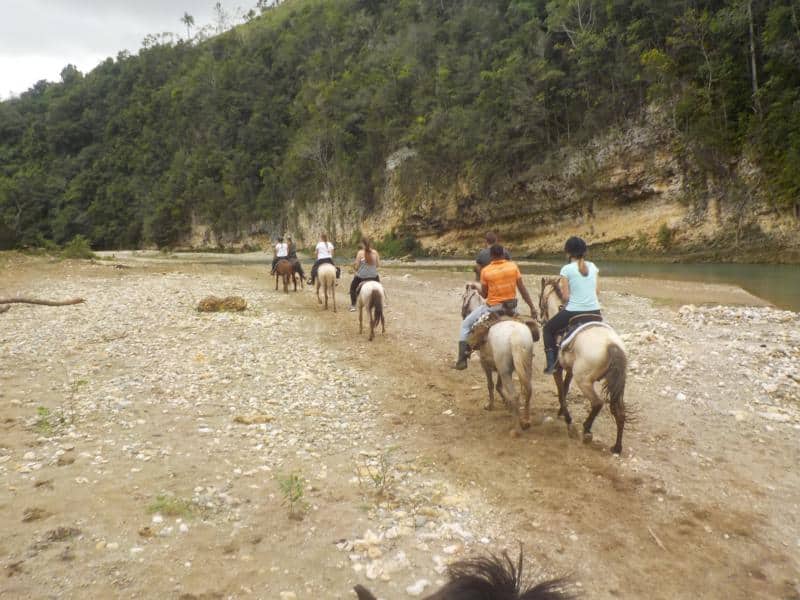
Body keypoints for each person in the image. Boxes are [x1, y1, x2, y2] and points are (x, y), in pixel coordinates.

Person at [454, 244, 536, 370]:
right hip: (512, 308)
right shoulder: (513, 267)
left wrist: (476, 287)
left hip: (493, 308)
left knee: (465, 325)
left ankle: (462, 360)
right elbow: (522, 289)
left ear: (491, 256)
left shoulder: (486, 271)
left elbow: (485, 295)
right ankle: (528, 351)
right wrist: (532, 307)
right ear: (503, 254)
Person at [542, 236, 602, 374]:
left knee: (547, 329)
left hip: (574, 312)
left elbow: (565, 297)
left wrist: (570, 301)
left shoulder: (566, 269)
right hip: (595, 312)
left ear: (568, 253)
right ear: (584, 252)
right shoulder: (593, 266)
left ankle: (552, 364)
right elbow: (597, 291)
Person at [349, 238, 380, 311]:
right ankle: (380, 301)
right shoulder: (375, 252)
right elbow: (378, 265)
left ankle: (353, 305)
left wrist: (354, 267)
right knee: (379, 287)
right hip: (374, 276)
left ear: (362, 244)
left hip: (362, 277)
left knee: (352, 288)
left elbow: (357, 267)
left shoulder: (360, 253)